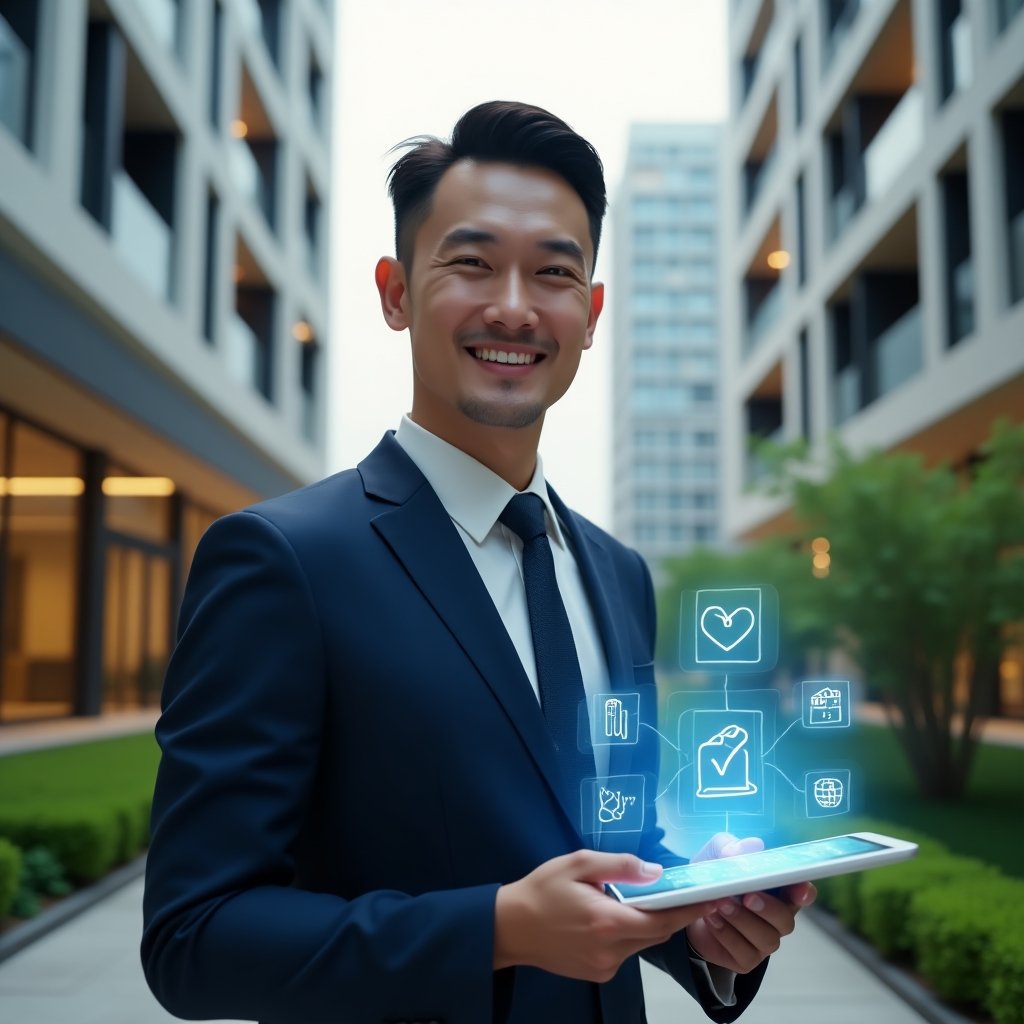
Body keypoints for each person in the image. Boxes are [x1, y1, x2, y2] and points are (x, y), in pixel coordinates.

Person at [141, 100, 815, 1024]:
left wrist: (700, 922)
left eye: (553, 273)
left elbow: (613, 839)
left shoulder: (618, 575)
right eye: (471, 262)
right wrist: (495, 928)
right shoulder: (283, 560)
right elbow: (194, 938)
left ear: (591, 313)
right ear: (394, 291)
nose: (513, 305)